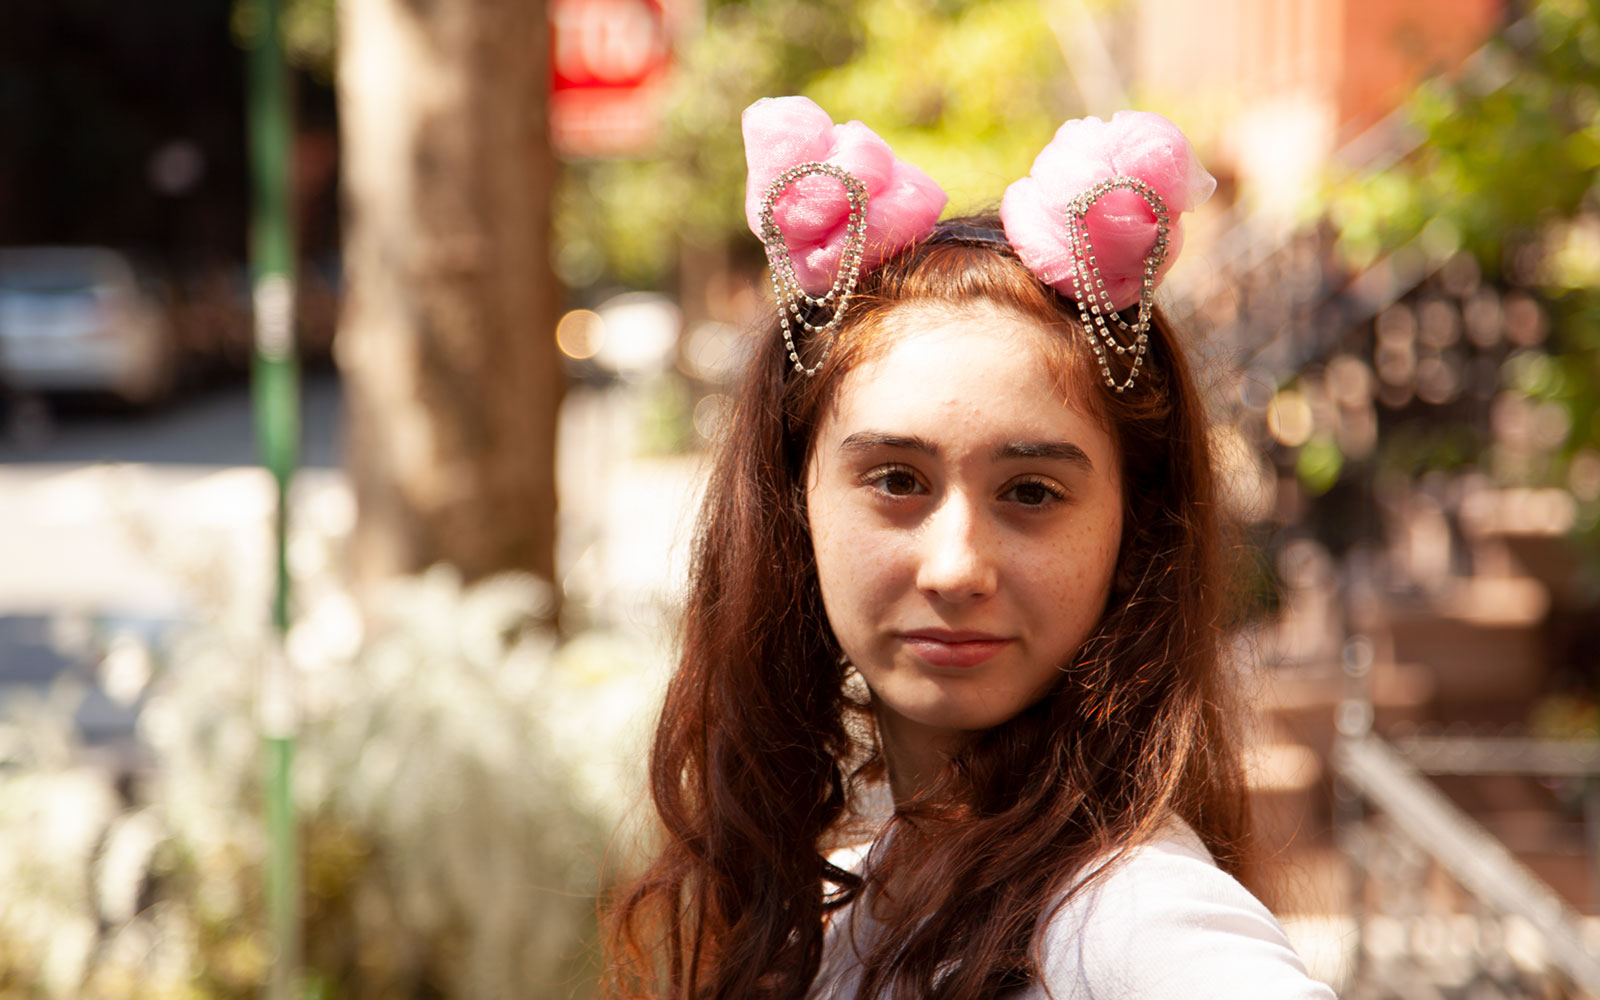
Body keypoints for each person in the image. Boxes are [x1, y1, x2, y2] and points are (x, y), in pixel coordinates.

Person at [606, 96, 1336, 1000]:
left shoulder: (1134, 926)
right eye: (896, 481)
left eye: (1031, 493)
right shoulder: (865, 900)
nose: (955, 567)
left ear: (1132, 530)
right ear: (795, 504)